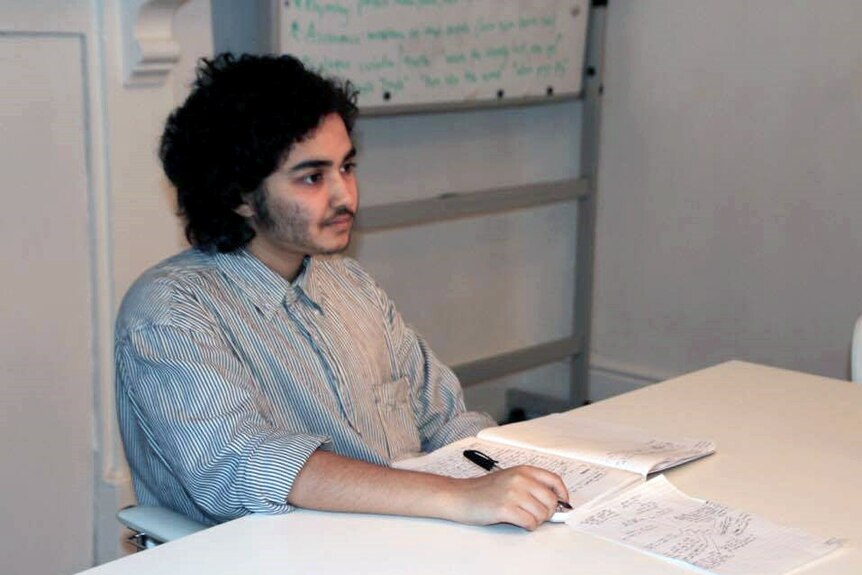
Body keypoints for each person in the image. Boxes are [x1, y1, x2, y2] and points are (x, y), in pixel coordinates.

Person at [115, 53, 568, 532]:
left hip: (410, 538)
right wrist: (459, 497)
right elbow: (245, 465)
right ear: (239, 196)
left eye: (347, 167)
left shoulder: (350, 283)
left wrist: (525, 476)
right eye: (313, 177)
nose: (345, 196)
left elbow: (447, 420)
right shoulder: (170, 310)